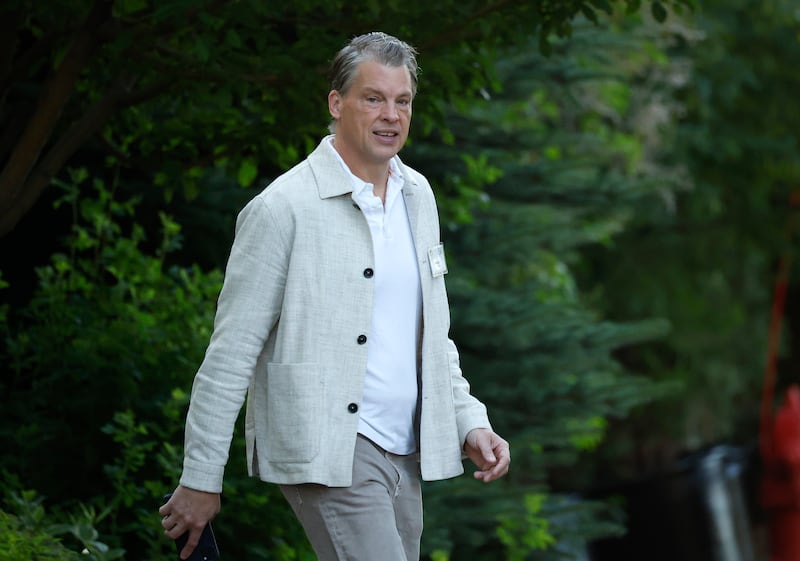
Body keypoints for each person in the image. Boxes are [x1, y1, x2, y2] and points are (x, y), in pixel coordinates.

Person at [159, 31, 510, 561]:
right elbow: (229, 356)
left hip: (406, 452)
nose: (391, 115)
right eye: (374, 98)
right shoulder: (282, 210)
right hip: (331, 452)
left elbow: (429, 334)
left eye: (403, 101)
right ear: (336, 103)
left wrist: (470, 420)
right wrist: (201, 477)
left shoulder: (418, 196)